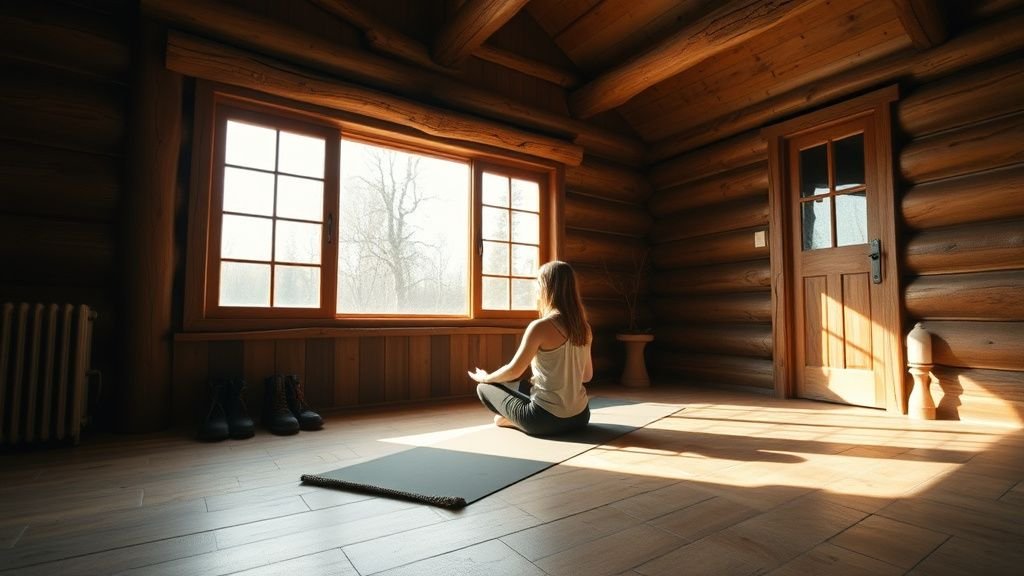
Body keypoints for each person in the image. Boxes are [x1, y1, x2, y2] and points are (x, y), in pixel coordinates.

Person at [468, 260, 593, 436]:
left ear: (546, 288)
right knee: (522, 386)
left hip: (545, 421)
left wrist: (486, 378)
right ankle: (520, 417)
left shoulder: (540, 327)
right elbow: (587, 376)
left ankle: (513, 421)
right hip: (580, 417)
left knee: (483, 388)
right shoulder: (584, 328)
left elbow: (514, 371)